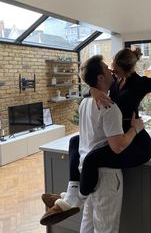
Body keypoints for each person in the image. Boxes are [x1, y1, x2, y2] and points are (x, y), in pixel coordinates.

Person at [40, 32, 151, 224]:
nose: (112, 73)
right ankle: (72, 192)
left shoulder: (141, 83)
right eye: (110, 70)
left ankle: (75, 201)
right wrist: (92, 90)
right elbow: (93, 81)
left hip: (135, 141)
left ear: (127, 70)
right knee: (75, 141)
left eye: (115, 71)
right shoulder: (114, 82)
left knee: (91, 159)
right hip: (117, 134)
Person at [40, 55, 145, 232]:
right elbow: (117, 146)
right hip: (106, 177)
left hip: (86, 174)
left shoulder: (85, 102)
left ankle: (71, 199)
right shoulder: (109, 107)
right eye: (106, 69)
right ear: (100, 78)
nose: (111, 71)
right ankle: (72, 199)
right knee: (105, 228)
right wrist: (135, 128)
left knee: (87, 223)